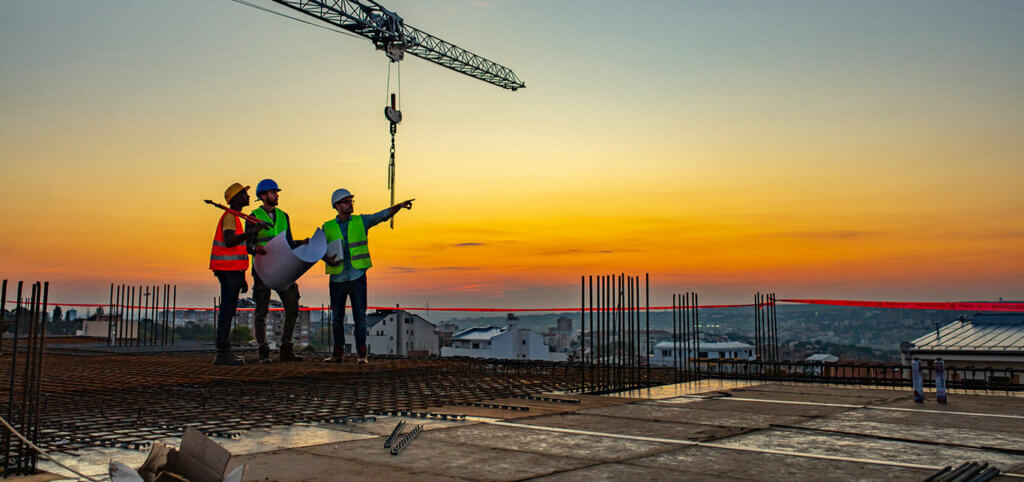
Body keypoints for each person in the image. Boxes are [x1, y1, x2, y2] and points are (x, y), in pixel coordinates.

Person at [321, 188, 413, 364]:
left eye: (351, 201)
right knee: (336, 318)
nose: (351, 204)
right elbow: (317, 249)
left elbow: (382, 215)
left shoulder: (361, 221)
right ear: (337, 206)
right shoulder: (328, 227)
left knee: (360, 317)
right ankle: (338, 354)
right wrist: (327, 259)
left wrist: (399, 206)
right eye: (347, 201)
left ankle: (362, 355)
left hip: (357, 276)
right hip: (338, 278)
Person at [246, 178, 309, 363]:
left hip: (282, 268)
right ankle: (263, 351)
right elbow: (247, 243)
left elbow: (288, 241)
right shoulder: (253, 216)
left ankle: (286, 349)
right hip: (263, 270)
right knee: (261, 310)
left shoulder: (284, 216)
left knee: (292, 306)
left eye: (277, 192)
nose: (277, 195)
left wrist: (301, 243)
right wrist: (254, 248)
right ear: (263, 196)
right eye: (274, 192)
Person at [209, 183, 262, 366]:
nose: (247, 197)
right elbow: (230, 241)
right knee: (227, 310)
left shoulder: (235, 217)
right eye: (244, 194)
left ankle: (223, 351)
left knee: (228, 310)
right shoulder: (230, 217)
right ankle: (223, 352)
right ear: (235, 198)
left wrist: (242, 277)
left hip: (232, 271)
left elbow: (238, 252)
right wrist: (252, 232)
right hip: (227, 270)